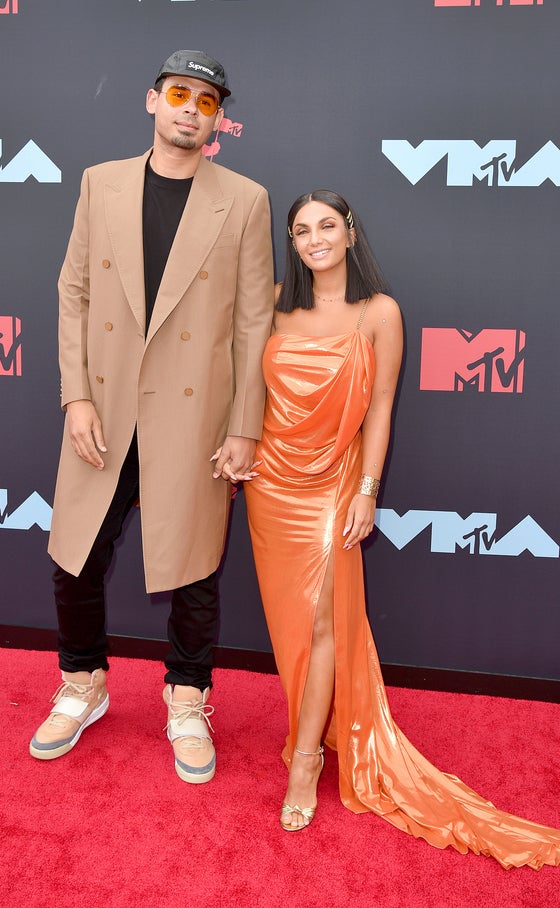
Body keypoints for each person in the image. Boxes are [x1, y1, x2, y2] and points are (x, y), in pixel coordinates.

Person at [244, 190, 560, 868]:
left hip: (333, 488)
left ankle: (304, 763)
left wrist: (366, 492)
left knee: (327, 626)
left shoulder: (380, 312)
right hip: (268, 486)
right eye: (301, 231)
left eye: (327, 226)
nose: (314, 239)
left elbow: (381, 408)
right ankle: (314, 728)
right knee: (292, 630)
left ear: (351, 232)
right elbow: (244, 388)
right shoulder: (274, 302)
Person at [30, 50, 274, 785]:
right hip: (103, 406)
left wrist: (244, 427)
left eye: (204, 101)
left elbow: (255, 323)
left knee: (196, 569)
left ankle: (188, 697)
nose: (188, 110)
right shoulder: (99, 183)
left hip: (194, 415)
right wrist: (74, 396)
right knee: (73, 555)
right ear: (150, 101)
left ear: (216, 117)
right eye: (177, 94)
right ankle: (83, 682)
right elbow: (73, 292)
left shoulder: (247, 199)